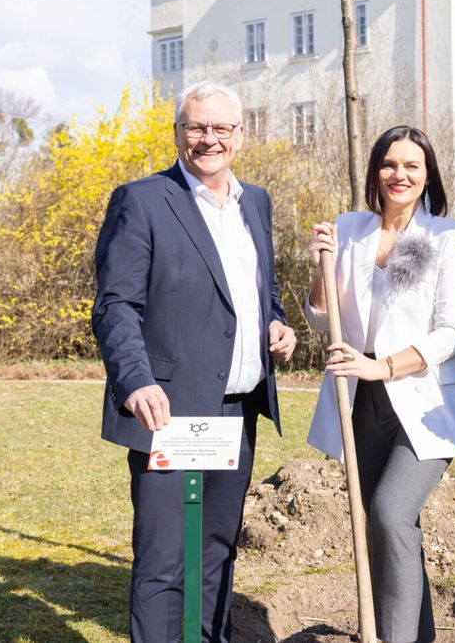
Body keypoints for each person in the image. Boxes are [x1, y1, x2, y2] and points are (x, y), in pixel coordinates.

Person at [91, 80, 297, 643]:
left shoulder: (255, 202)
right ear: (178, 133)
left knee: (215, 551)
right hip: (170, 411)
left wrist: (276, 324)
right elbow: (115, 306)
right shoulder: (141, 200)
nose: (208, 138)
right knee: (164, 561)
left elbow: (259, 291)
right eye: (195, 127)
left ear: (240, 134)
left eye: (220, 128)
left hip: (238, 410)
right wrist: (135, 381)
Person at [305, 125, 455, 643]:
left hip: (424, 400)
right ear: (374, 171)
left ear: (428, 177)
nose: (399, 175)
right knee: (384, 529)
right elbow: (322, 320)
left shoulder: (450, 236)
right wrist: (319, 267)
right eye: (389, 164)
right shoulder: (349, 229)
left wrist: (383, 365)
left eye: (412, 166)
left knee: (391, 511)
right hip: (360, 399)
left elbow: (453, 331)